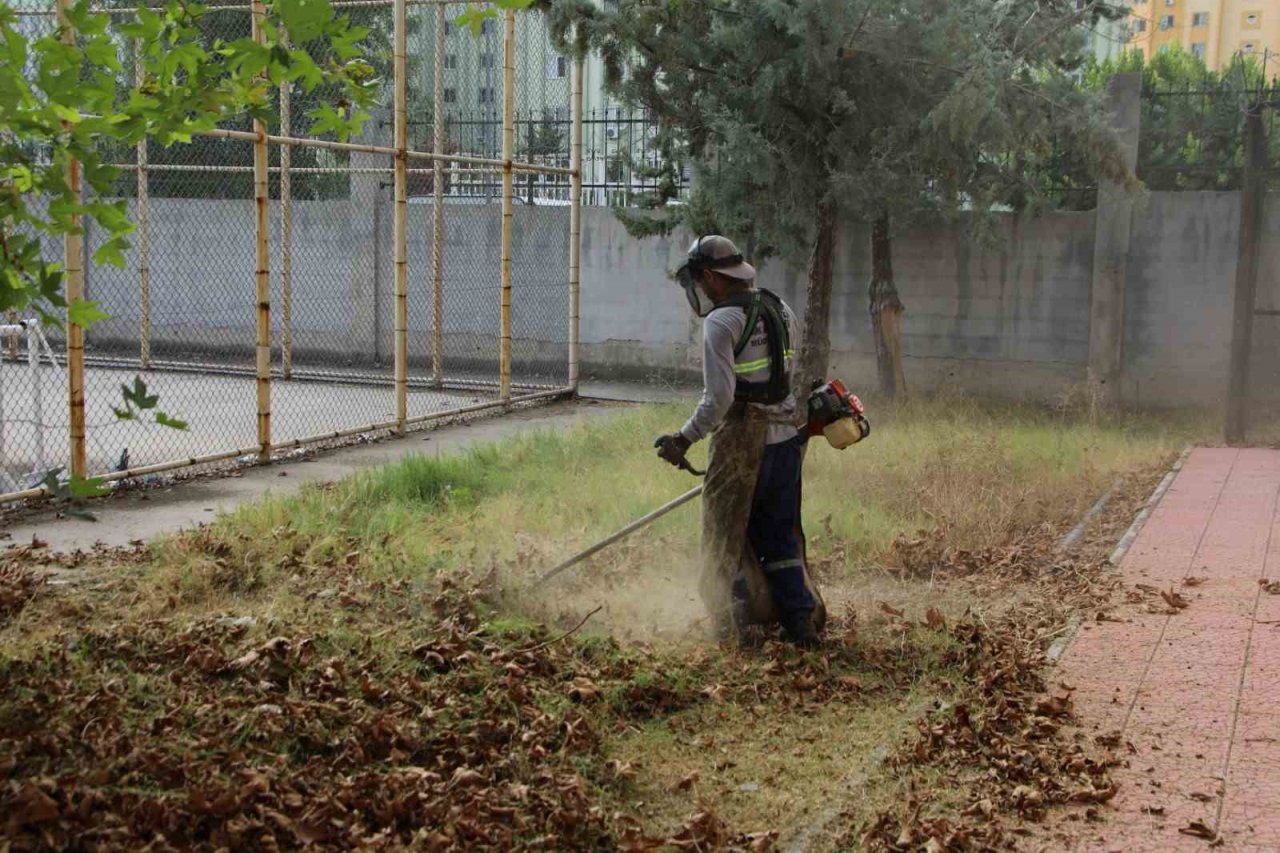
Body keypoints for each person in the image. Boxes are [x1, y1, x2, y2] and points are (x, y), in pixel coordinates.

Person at [654, 235, 825, 648]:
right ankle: (799, 623)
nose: (699, 290)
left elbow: (719, 398)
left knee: (721, 538)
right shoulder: (779, 307)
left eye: (699, 281)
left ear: (711, 276)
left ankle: (731, 627)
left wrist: (684, 439)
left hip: (742, 445)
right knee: (780, 536)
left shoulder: (720, 322)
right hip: (785, 442)